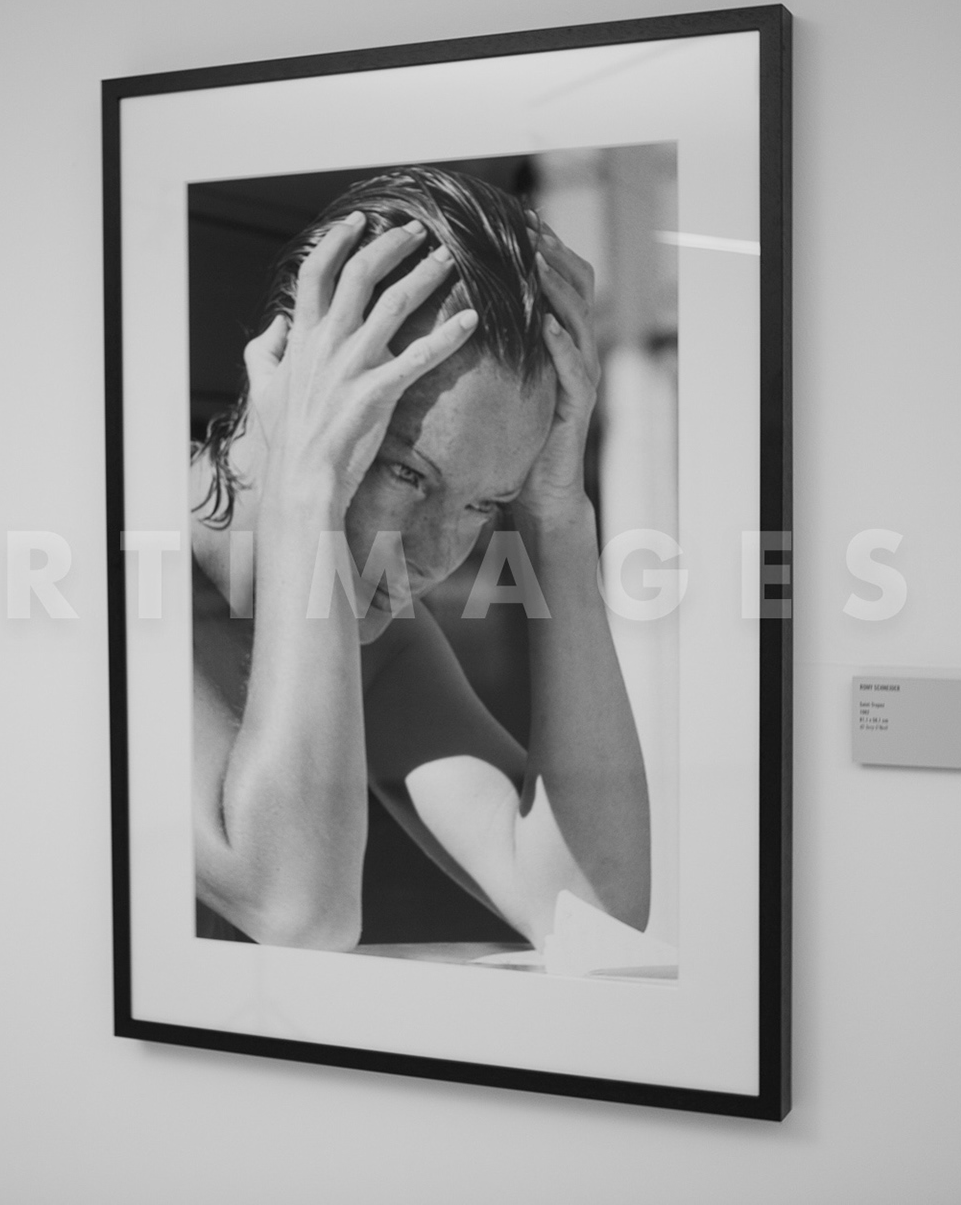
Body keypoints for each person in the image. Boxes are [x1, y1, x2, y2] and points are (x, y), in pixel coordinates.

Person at [189, 166, 650, 951]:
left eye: (483, 504)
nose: (436, 556)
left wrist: (559, 517)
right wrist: (309, 483)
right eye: (407, 474)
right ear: (297, 387)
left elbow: (590, 915)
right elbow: (299, 913)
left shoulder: (372, 634)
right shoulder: (117, 578)